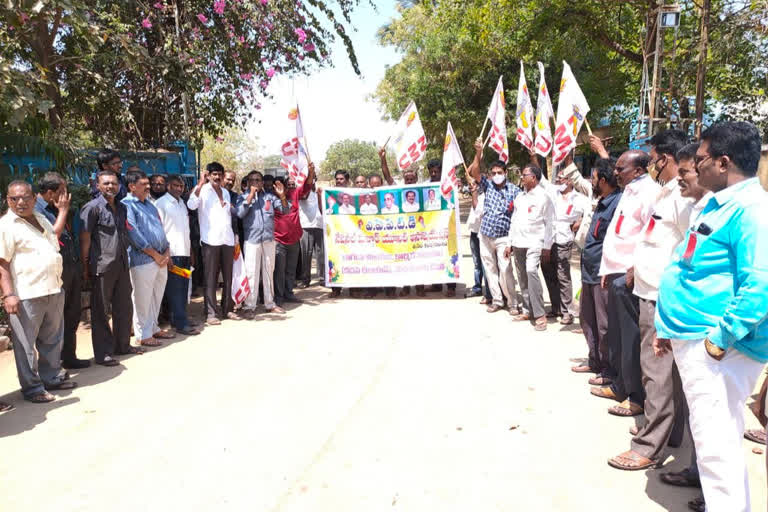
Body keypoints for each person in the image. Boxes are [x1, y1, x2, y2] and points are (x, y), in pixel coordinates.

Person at [655, 121, 768, 512]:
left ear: (723, 163)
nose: (695, 166)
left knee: (716, 448)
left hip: (720, 349)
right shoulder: (721, 206)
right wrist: (668, 326)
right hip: (697, 339)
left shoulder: (753, 211)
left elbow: (760, 286)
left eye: (700, 160)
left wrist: (718, 341)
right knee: (715, 444)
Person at [606, 129, 694, 471]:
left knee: (656, 372)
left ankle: (649, 444)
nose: (651, 164)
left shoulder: (683, 197)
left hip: (661, 295)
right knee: (667, 373)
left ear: (664, 158)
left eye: (653, 157)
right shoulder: (670, 192)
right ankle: (669, 430)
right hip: (650, 289)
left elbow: (690, 247)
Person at [590, 150, 660, 418]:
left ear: (639, 170)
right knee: (619, 338)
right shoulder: (629, 192)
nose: (615, 173)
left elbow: (649, 237)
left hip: (632, 278)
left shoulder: (650, 194)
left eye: (621, 169)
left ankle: (636, 397)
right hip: (616, 274)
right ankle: (621, 385)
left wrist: (633, 269)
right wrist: (608, 269)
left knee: (633, 340)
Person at [0, 181, 77, 404]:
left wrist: (62, 211)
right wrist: (8, 295)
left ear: (35, 198)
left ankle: (51, 377)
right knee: (25, 345)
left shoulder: (40, 218)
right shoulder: (6, 225)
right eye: (14, 199)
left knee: (52, 339)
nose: (21, 202)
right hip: (26, 293)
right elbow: (2, 263)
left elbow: (53, 235)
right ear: (8, 200)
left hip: (52, 287)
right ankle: (32, 388)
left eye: (25, 197)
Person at [81, 170, 144, 365]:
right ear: (98, 186)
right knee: (101, 311)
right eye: (106, 183)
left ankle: (122, 345)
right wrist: (85, 265)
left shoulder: (121, 207)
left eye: (114, 184)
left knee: (124, 306)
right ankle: (103, 353)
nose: (110, 187)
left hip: (122, 264)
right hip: (102, 266)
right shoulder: (91, 208)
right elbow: (85, 238)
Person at [34, 172, 90, 369]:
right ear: (50, 193)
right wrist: (63, 211)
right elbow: (51, 236)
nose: (66, 195)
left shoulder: (54, 207)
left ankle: (69, 357)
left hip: (70, 267)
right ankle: (52, 364)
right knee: (54, 322)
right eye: (63, 191)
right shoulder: (36, 211)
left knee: (72, 314)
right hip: (54, 274)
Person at [572, 158, 621, 378]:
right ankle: (595, 361)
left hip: (603, 274)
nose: (590, 182)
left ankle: (608, 369)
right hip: (588, 271)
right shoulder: (600, 202)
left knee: (604, 326)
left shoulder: (618, 203)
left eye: (593, 178)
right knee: (587, 319)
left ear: (603, 180)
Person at [467, 138, 520, 314]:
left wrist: (512, 241)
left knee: (505, 271)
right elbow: (474, 171)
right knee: (490, 269)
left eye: (499, 172)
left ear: (505, 172)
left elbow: (518, 216)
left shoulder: (514, 191)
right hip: (485, 234)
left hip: (504, 237)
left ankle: (513, 302)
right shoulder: (488, 185)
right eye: (494, 172)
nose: (496, 175)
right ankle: (497, 300)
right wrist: (478, 152)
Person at [122, 170, 174, 347]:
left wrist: (166, 250)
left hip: (161, 258)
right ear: (132, 186)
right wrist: (154, 254)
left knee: (156, 295)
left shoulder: (150, 205)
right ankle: (142, 334)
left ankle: (152, 327)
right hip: (143, 259)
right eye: (144, 184)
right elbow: (132, 232)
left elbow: (160, 227)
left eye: (147, 184)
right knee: (142, 298)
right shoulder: (127, 205)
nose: (148, 187)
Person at [187, 162, 242, 325]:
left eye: (220, 174)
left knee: (228, 277)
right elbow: (191, 205)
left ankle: (227, 309)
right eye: (214, 174)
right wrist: (199, 184)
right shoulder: (202, 191)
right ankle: (211, 313)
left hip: (227, 239)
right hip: (210, 240)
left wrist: (235, 237)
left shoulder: (226, 192)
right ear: (208, 175)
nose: (217, 177)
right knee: (210, 278)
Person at [506, 164, 554, 331]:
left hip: (535, 242)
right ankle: (528, 310)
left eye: (524, 174)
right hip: (518, 242)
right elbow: (514, 221)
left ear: (533, 177)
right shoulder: (520, 197)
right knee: (522, 276)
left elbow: (550, 224)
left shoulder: (544, 197)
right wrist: (509, 243)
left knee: (531, 271)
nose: (521, 177)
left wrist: (547, 246)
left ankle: (540, 314)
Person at [540, 168, 589, 324]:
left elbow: (589, 213)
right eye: (558, 178)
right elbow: (541, 180)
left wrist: (580, 221)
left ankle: (567, 311)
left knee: (563, 275)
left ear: (569, 181)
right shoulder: (553, 193)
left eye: (561, 178)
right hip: (548, 239)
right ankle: (556, 308)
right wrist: (534, 156)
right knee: (549, 273)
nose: (558, 181)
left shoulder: (579, 198)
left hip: (564, 240)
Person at [155, 175, 201, 335]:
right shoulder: (161, 204)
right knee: (174, 289)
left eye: (181, 186)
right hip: (172, 253)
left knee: (182, 288)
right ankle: (180, 324)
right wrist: (165, 254)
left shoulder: (182, 203)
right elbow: (159, 230)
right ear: (168, 186)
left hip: (184, 252)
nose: (179, 189)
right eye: (175, 185)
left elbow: (185, 231)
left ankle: (180, 319)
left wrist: (190, 252)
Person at [237, 171, 287, 315]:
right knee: (251, 273)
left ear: (262, 182)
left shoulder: (269, 197)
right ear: (247, 182)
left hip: (268, 240)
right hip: (252, 241)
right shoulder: (242, 197)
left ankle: (270, 303)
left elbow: (285, 209)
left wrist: (282, 195)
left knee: (268, 272)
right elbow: (240, 214)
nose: (255, 183)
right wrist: (251, 196)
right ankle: (249, 306)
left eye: (258, 180)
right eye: (252, 180)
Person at [274, 165, 315, 306]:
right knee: (279, 271)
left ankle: (289, 294)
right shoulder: (274, 198)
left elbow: (308, 184)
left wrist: (310, 172)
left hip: (294, 239)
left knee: (290, 271)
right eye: (288, 184)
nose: (291, 187)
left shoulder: (295, 193)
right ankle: (278, 297)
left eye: (292, 185)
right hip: (279, 240)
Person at [466, 179, 491, 302]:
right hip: (474, 233)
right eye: (471, 185)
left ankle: (489, 292)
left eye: (475, 185)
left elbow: (478, 212)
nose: (472, 186)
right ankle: (477, 287)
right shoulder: (477, 195)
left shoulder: (487, 196)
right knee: (477, 263)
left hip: (484, 234)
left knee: (486, 263)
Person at [298, 173, 324, 289]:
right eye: (309, 178)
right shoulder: (303, 191)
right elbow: (303, 197)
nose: (311, 180)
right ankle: (305, 279)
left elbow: (323, 207)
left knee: (321, 254)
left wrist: (319, 195)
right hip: (306, 226)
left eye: (313, 178)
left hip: (319, 226)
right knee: (306, 254)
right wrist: (308, 185)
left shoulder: (319, 192)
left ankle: (323, 278)